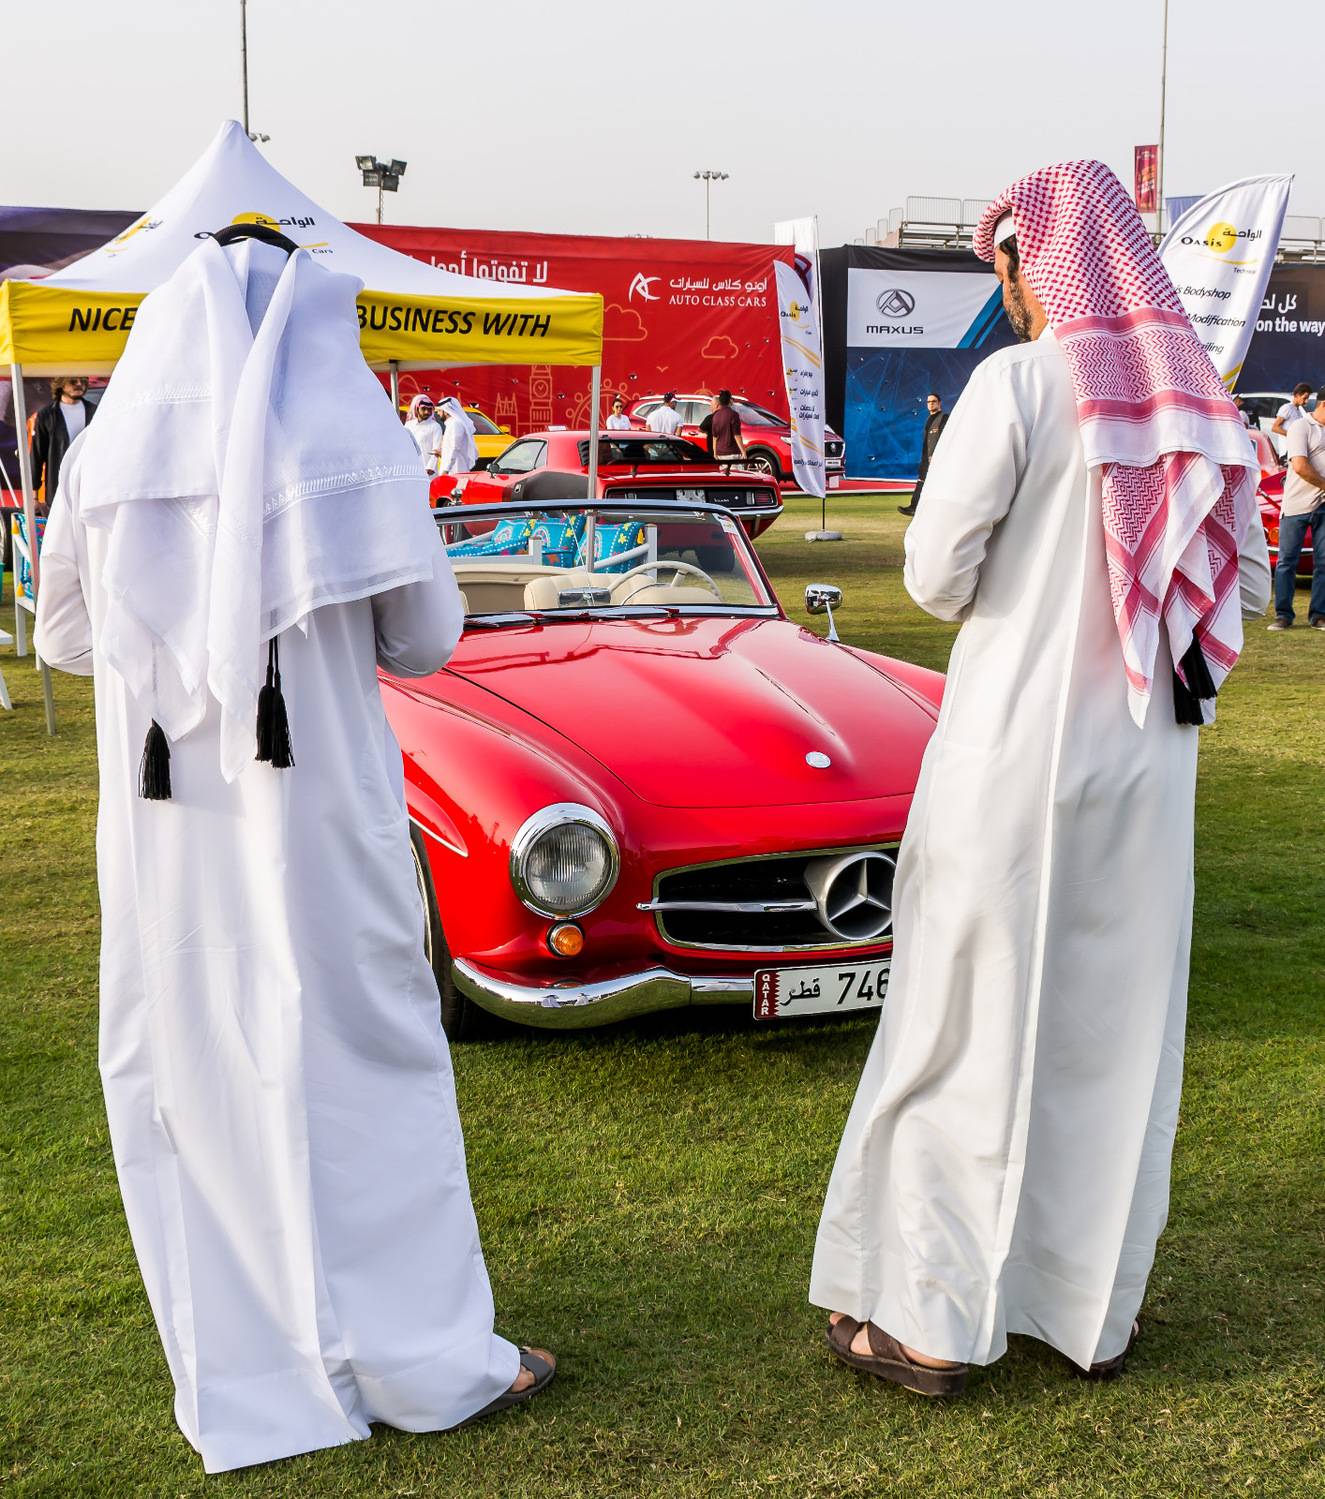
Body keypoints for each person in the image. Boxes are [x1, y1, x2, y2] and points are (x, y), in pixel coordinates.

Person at [33, 236, 554, 1474]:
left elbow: (63, 637)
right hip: (318, 817)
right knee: (364, 1066)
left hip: (172, 831)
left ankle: (257, 1375)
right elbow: (424, 638)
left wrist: (178, 647)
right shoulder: (348, 431)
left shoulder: (109, 448)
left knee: (194, 1067)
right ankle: (424, 1360)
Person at [811, 159, 1270, 1399]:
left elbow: (931, 577)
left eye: (1003, 265)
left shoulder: (1015, 383)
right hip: (1145, 767)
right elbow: (1238, 587)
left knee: (964, 1021)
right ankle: (1087, 1311)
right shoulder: (1199, 407)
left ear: (1034, 261)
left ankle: (931, 1324)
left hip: (1010, 756)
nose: (1002, 288)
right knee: (1107, 1031)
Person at [1268, 384, 1325, 630]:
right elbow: (1300, 466)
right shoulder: (1301, 427)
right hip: (1297, 504)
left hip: (1323, 505)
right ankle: (1283, 615)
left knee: (1323, 562)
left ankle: (1319, 615)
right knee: (1287, 561)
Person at [30, 375, 95, 508]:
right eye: (73, 381)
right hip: (58, 487)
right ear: (61, 384)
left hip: (89, 486)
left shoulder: (95, 411)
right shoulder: (46, 415)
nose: (79, 384)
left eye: (83, 381)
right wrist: (34, 496)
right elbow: (37, 455)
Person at [897, 392, 947, 516]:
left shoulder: (944, 417)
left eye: (934, 401)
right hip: (926, 458)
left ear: (939, 403)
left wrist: (937, 455)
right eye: (929, 402)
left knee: (938, 483)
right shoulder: (929, 419)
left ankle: (922, 508)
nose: (931, 404)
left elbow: (944, 439)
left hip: (936, 458)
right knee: (921, 482)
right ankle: (914, 507)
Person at [699, 389, 746, 469]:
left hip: (720, 453)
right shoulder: (734, 415)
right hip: (732, 452)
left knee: (723, 474)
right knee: (735, 474)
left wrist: (715, 453)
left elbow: (715, 437)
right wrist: (743, 451)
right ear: (730, 401)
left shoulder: (715, 416)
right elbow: (737, 435)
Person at [403, 393, 443, 476]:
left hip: (428, 470)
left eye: (429, 409)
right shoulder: (408, 425)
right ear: (417, 409)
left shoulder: (435, 426)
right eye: (423, 409)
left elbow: (436, 449)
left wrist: (430, 468)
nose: (427, 412)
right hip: (411, 468)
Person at [437, 396, 479, 475]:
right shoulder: (451, 423)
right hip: (452, 469)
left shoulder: (455, 424)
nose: (438, 413)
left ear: (446, 411)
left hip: (456, 469)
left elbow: (455, 448)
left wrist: (446, 469)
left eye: (439, 411)